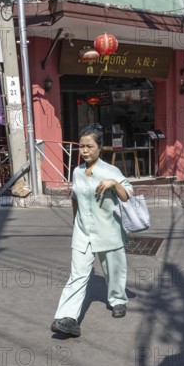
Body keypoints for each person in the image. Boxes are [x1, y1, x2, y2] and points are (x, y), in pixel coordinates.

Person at [50, 123, 133, 337]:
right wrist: (76, 222)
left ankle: (118, 300)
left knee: (114, 271)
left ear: (100, 148)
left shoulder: (110, 171)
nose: (85, 151)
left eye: (89, 146)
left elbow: (127, 196)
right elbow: (75, 199)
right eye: (81, 146)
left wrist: (114, 184)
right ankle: (67, 318)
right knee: (77, 275)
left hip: (108, 230)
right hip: (82, 231)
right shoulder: (77, 172)